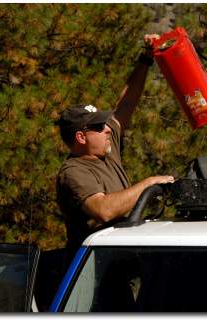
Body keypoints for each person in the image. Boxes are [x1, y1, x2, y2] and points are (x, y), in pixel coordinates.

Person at [55, 34, 174, 261]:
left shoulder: (106, 150)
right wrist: (149, 183)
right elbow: (104, 210)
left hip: (117, 262)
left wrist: (146, 59)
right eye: (99, 127)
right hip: (95, 272)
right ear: (81, 137)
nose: (108, 129)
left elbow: (126, 104)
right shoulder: (73, 172)